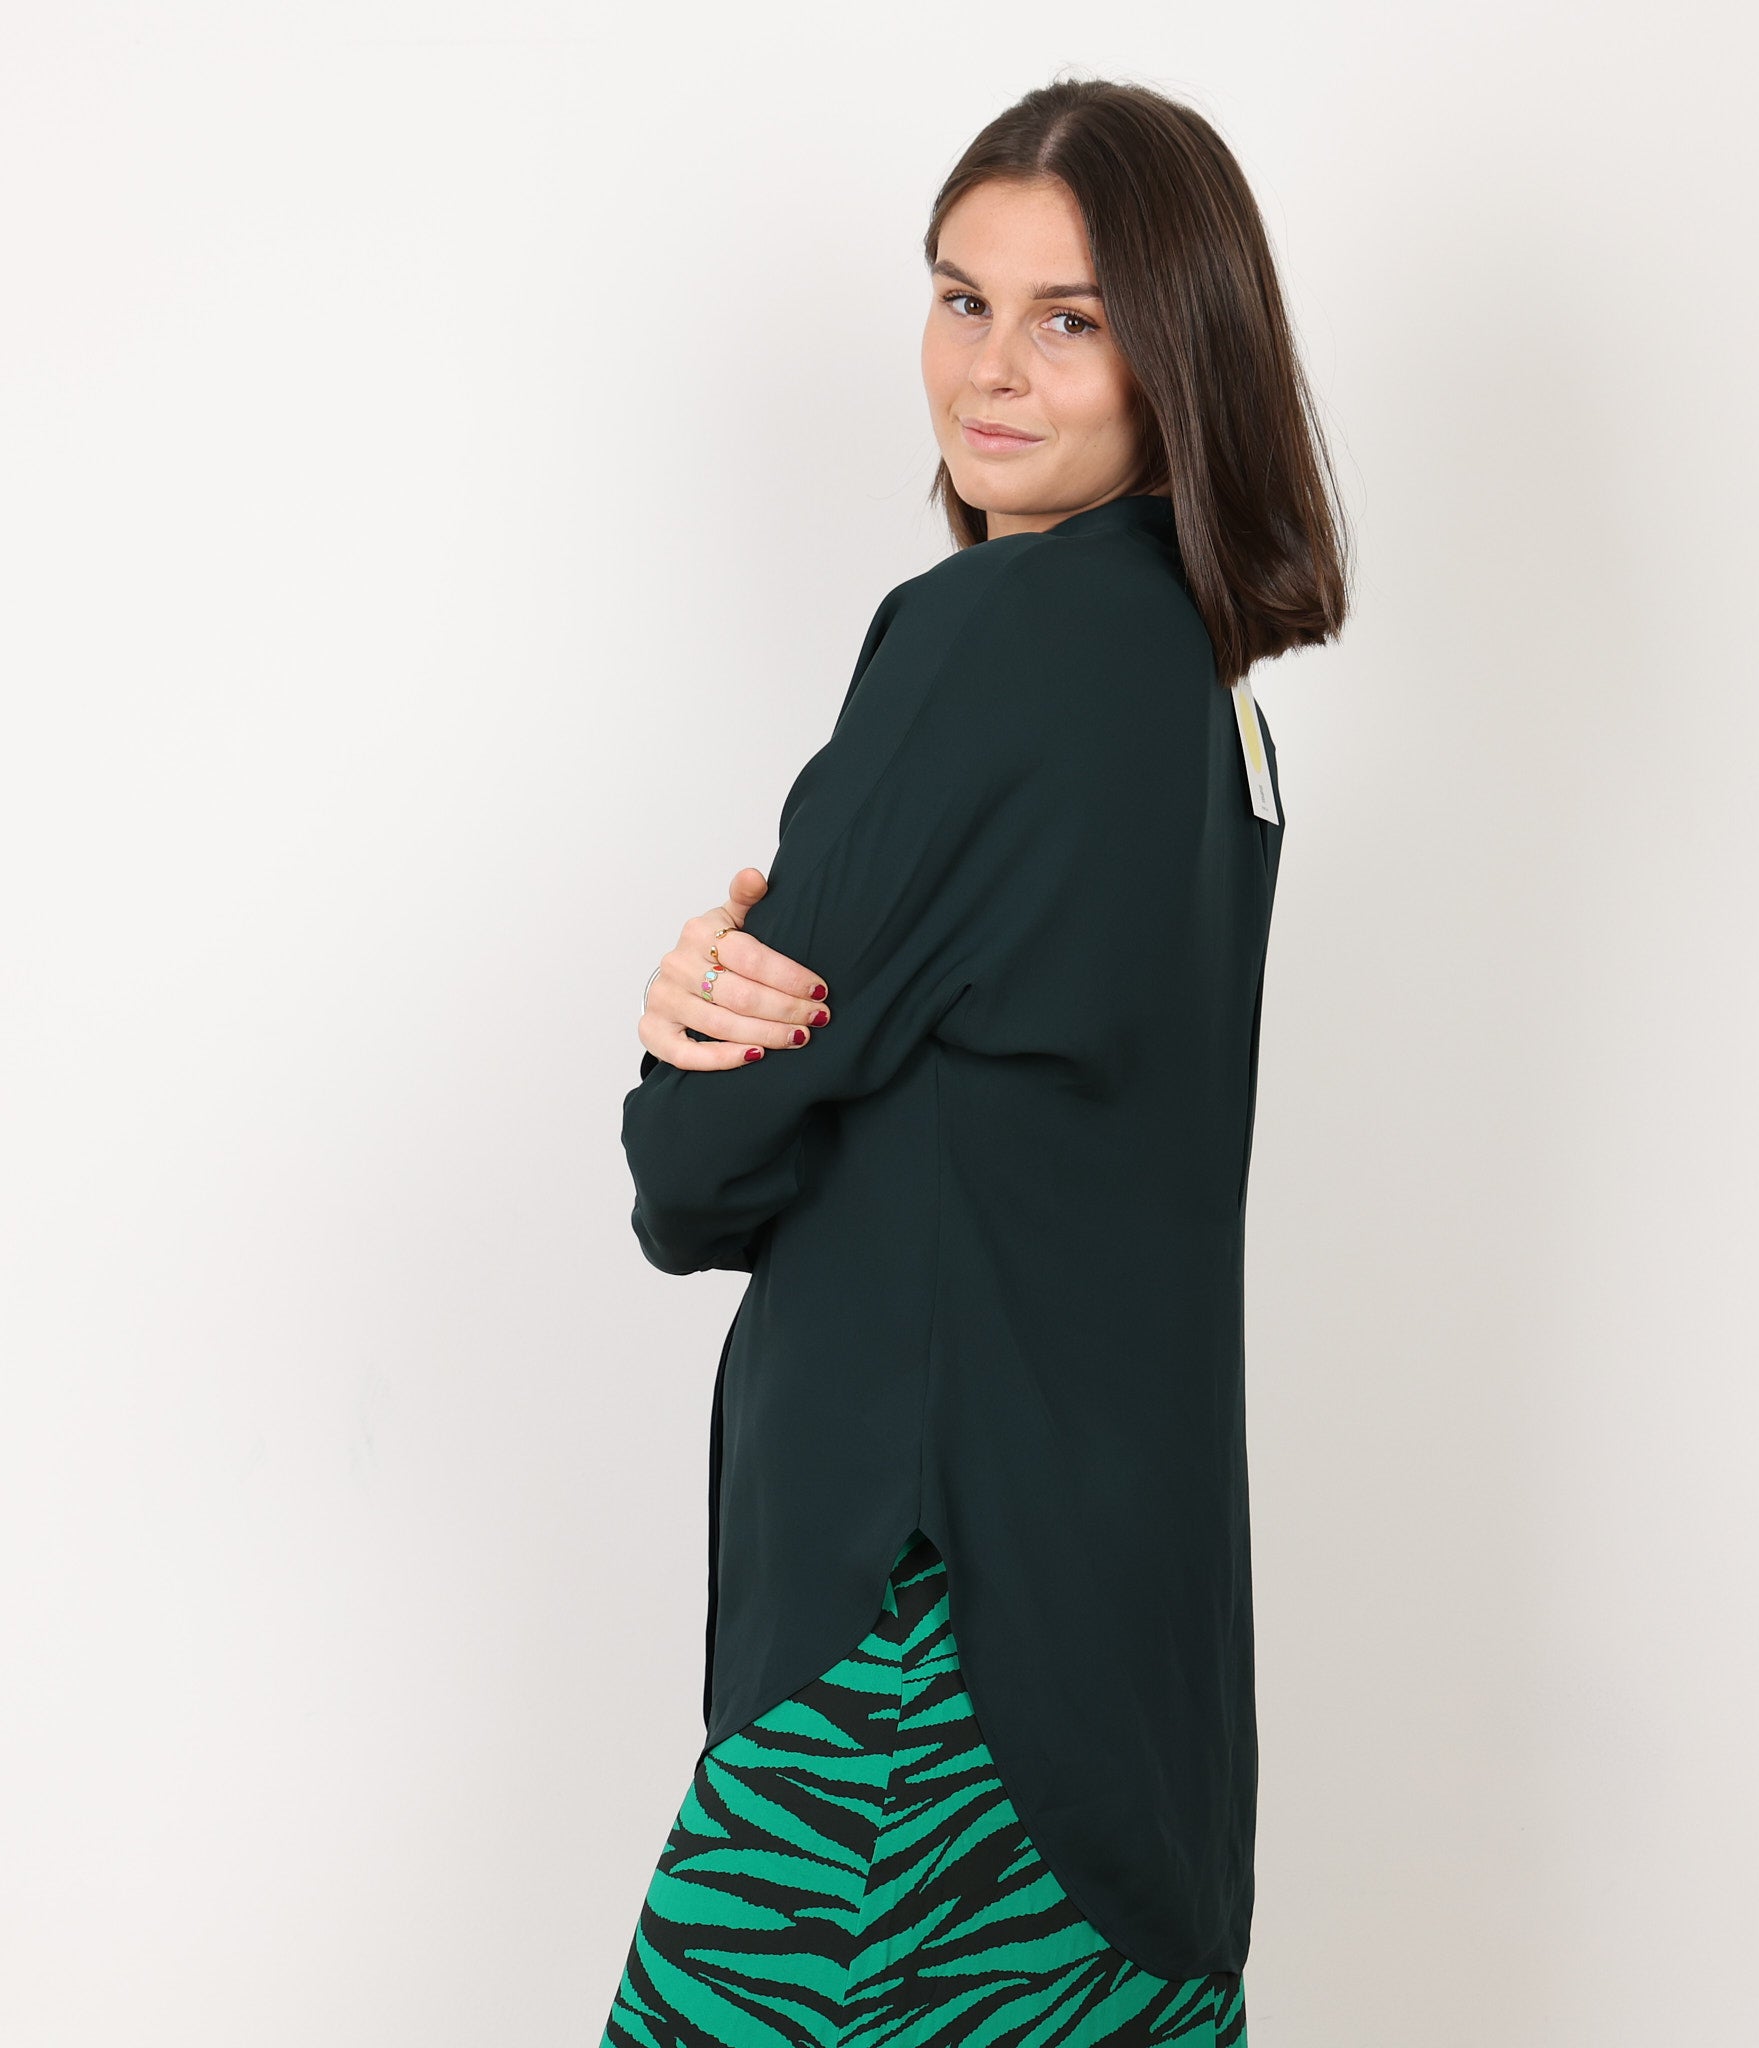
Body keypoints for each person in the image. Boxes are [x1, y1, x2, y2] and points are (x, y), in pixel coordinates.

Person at [604, 75, 1349, 2048]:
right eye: (960, 299)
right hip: (1131, 1690)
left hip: (927, 1665)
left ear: (1180, 351)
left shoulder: (988, 643)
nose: (990, 369)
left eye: (1067, 318)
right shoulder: (1204, 699)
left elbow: (693, 1170)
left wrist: (687, 1030)